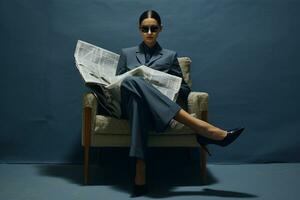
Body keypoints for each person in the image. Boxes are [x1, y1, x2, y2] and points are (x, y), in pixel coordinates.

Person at [114, 10, 244, 197]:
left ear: (160, 29)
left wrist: (160, 84)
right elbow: (118, 86)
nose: (149, 32)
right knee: (132, 83)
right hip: (127, 109)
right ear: (139, 29)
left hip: (155, 113)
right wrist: (141, 85)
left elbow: (184, 89)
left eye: (153, 28)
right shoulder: (126, 54)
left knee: (138, 98)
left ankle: (140, 167)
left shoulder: (169, 56)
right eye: (145, 29)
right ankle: (201, 128)